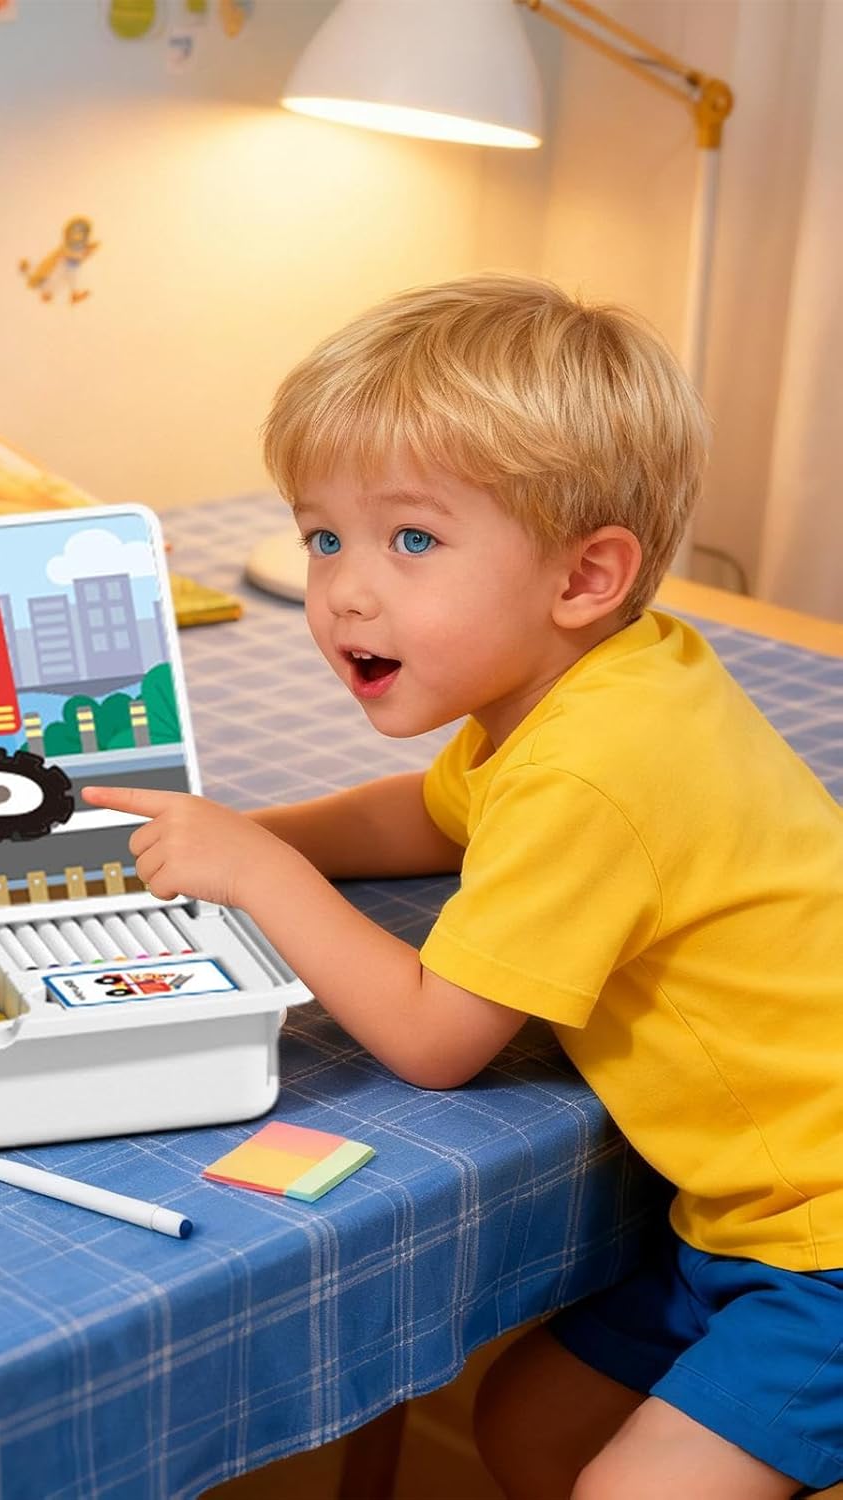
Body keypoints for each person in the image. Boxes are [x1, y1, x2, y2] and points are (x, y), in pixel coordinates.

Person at [83, 273, 843, 1498]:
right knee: (533, 1428)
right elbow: (436, 814)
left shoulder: (595, 766)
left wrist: (263, 874)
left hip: (825, 1232)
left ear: (584, 578)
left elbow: (438, 1040)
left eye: (412, 541)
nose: (346, 589)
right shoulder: (604, 680)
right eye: (323, 536)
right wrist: (250, 834)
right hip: (750, 1213)